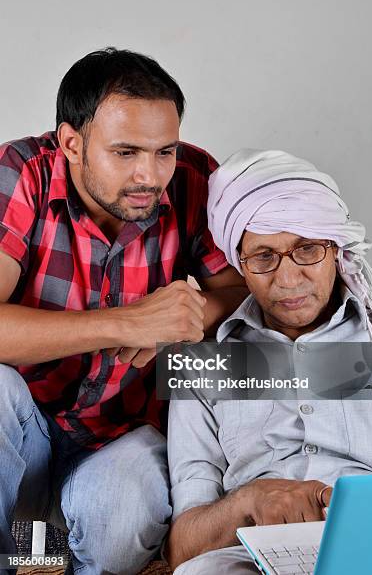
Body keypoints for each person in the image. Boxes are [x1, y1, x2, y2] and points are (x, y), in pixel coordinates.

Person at [0, 47, 247, 575]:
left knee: (119, 527)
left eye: (164, 151)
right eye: (126, 152)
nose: (150, 176)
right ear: (71, 143)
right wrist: (126, 322)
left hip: (118, 427)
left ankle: (46, 553)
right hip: (23, 423)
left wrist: (183, 316)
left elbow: (240, 293)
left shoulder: (194, 179)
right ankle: (26, 553)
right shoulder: (22, 172)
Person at [166, 149, 372, 574]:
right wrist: (250, 501)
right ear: (239, 264)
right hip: (249, 557)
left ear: (337, 249)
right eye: (263, 257)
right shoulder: (202, 362)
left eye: (307, 249)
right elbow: (184, 546)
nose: (288, 279)